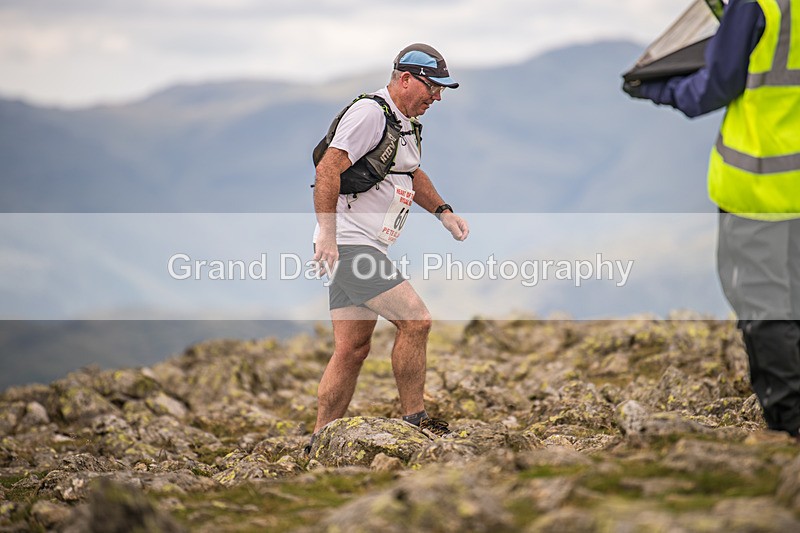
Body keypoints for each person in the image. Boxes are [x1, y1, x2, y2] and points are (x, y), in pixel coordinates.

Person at [624, 0, 800, 438]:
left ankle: (791, 429)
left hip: (765, 190)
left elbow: (712, 87)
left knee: (768, 309)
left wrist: (650, 88)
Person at [307, 43, 470, 453]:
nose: (436, 97)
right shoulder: (370, 114)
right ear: (405, 79)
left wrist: (443, 212)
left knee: (352, 349)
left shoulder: (406, 123)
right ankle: (415, 420)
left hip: (366, 247)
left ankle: (319, 440)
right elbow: (328, 168)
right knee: (416, 321)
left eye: (441, 90)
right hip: (350, 246)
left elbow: (411, 173)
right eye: (431, 88)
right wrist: (328, 234)